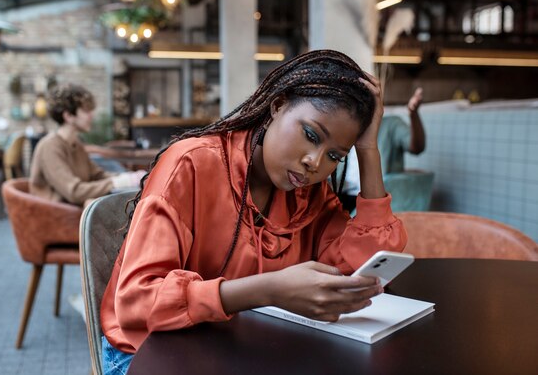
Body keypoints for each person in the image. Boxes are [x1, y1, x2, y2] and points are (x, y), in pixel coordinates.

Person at [99, 50, 408, 374]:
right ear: (277, 105)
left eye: (334, 155)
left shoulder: (308, 192)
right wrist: (269, 289)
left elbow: (363, 267)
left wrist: (368, 150)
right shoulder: (191, 164)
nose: (315, 163)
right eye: (311, 135)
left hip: (242, 348)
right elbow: (138, 301)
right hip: (150, 351)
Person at [29, 84, 145, 207]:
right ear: (68, 116)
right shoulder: (49, 147)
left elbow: (97, 174)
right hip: (57, 218)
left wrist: (130, 177)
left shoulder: (76, 144)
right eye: (85, 111)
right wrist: (118, 182)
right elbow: (74, 191)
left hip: (76, 212)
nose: (91, 115)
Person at [337, 87, 426, 213]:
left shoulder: (391, 124)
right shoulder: (344, 126)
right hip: (343, 195)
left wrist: (413, 114)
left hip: (375, 198)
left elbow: (417, 147)